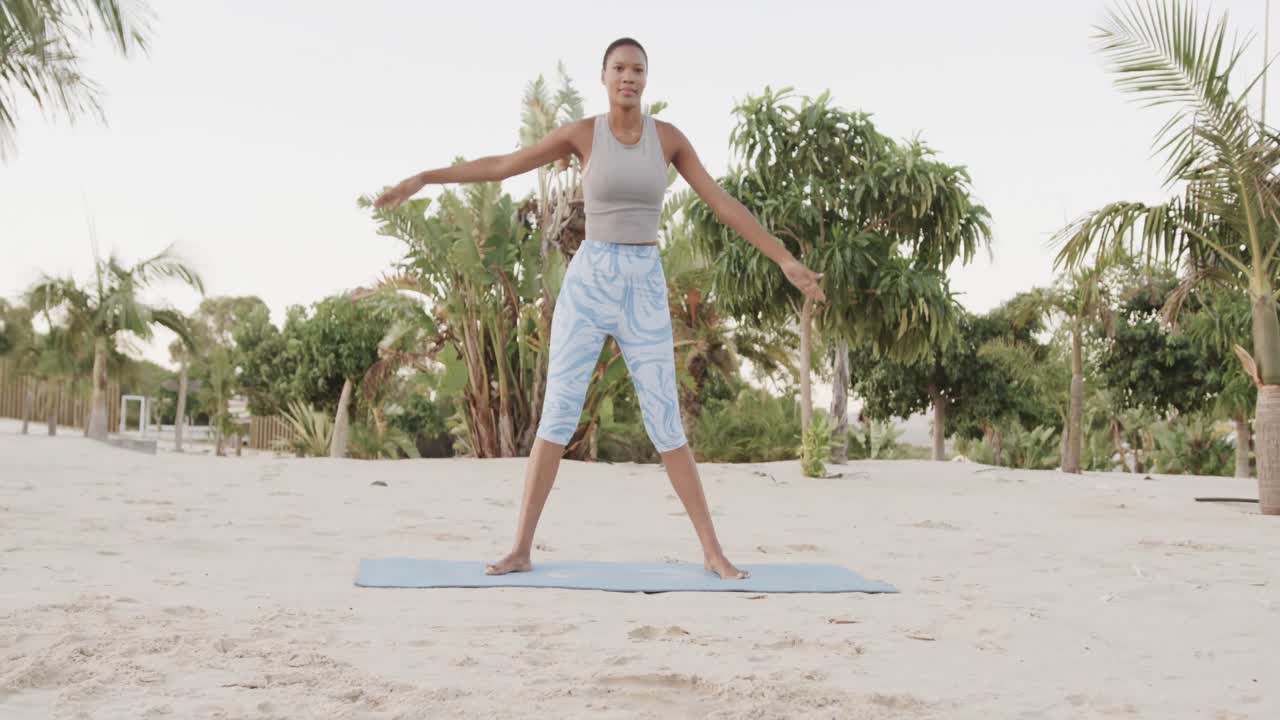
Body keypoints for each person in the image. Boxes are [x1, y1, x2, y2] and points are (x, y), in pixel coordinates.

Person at [373, 37, 826, 580]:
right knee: (558, 414)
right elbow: (503, 166)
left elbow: (722, 203)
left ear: (646, 79)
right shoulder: (583, 134)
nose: (628, 77)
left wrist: (783, 259)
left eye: (637, 69)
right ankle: (520, 548)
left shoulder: (669, 140)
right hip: (590, 280)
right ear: (604, 76)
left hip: (643, 282)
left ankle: (712, 551)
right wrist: (425, 177)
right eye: (619, 68)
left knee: (665, 420)